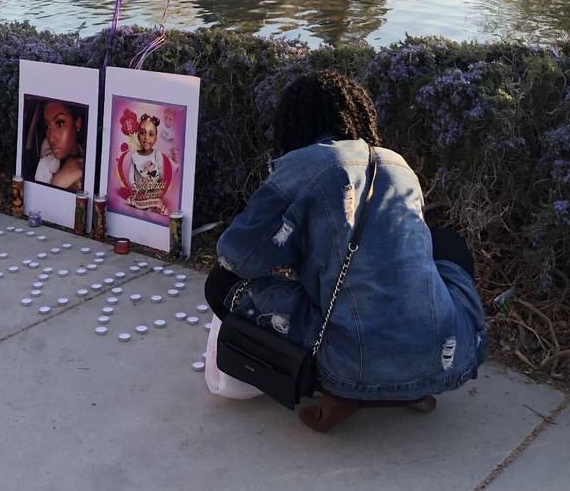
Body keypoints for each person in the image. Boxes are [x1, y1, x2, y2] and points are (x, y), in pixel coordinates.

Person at [208, 71, 485, 432]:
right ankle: (411, 383)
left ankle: (342, 390)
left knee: (220, 284)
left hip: (348, 364)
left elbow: (235, 256)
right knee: (448, 245)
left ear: (294, 124)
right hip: (446, 355)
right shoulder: (398, 163)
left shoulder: (304, 164)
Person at [31, 100, 85, 192]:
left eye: (59, 123)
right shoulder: (45, 166)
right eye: (47, 126)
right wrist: (57, 182)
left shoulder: (94, 164)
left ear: (77, 124)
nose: (51, 138)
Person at [128, 114, 170, 215]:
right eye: (142, 133)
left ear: (155, 138)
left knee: (157, 206)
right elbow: (131, 176)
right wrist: (134, 188)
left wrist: (156, 187)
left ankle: (153, 207)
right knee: (130, 201)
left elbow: (161, 176)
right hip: (139, 194)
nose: (146, 137)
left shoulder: (157, 155)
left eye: (151, 134)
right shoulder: (134, 156)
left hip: (153, 193)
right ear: (138, 135)